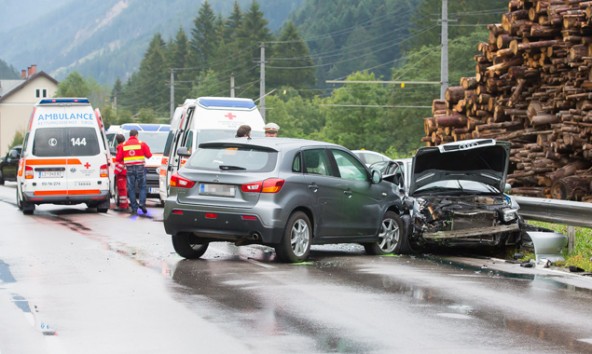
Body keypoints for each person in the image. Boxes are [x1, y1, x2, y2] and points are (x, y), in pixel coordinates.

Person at [116, 129, 152, 215]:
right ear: (136, 135)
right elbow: (149, 155)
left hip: (129, 168)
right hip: (140, 168)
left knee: (131, 188)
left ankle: (134, 208)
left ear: (129, 135)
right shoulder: (141, 143)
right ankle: (142, 204)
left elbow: (118, 158)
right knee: (142, 187)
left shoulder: (123, 145)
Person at [113, 134, 129, 210]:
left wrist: (116, 171)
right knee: (124, 188)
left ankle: (123, 205)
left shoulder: (120, 147)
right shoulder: (125, 147)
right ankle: (125, 204)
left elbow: (121, 161)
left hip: (121, 172)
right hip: (125, 171)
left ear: (117, 140)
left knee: (122, 189)